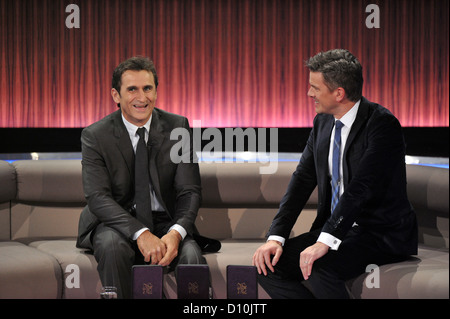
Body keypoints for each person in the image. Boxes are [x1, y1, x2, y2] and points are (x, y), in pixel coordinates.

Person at [252, 49, 418, 299]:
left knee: (319, 268)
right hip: (338, 228)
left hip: (378, 233)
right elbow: (302, 180)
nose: (309, 94)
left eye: (315, 88)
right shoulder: (323, 122)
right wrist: (277, 237)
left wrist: (325, 241)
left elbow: (360, 188)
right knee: (267, 266)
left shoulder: (382, 125)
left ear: (339, 93)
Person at [76, 56, 211, 299]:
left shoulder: (177, 126)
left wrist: (176, 232)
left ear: (156, 91)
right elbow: (97, 197)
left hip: (166, 221)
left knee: (191, 255)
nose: (142, 97)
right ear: (116, 96)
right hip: (116, 222)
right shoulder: (95, 135)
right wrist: (141, 234)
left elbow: (189, 190)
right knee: (111, 246)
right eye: (132, 89)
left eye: (148, 88)